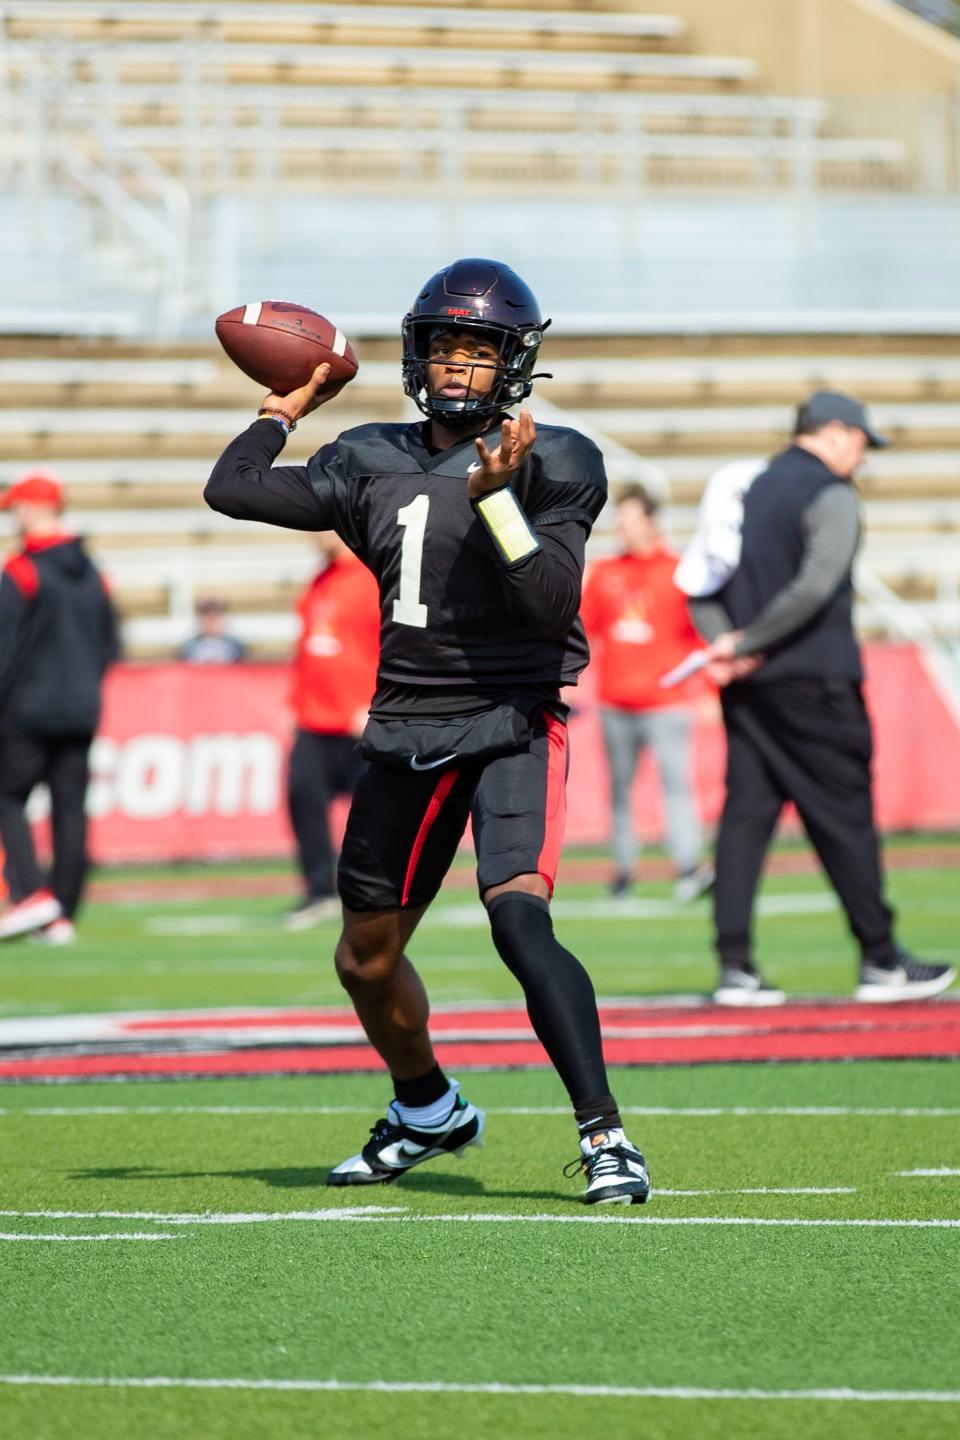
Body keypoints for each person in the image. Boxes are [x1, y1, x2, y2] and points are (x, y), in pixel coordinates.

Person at [205, 257, 651, 1205]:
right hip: (405, 721)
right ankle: (427, 1107)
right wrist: (285, 406)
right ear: (415, 353)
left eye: (478, 350)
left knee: (519, 921)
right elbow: (233, 490)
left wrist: (497, 496)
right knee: (363, 959)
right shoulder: (367, 454)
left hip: (510, 719)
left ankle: (605, 1133)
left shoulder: (557, 457)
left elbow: (548, 605)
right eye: (444, 344)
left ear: (513, 364)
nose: (458, 364)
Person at [679, 390, 956, 1006]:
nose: (861, 458)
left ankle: (735, 967)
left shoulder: (745, 488)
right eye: (859, 443)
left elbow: (699, 576)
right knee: (845, 817)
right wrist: (748, 639)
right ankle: (882, 960)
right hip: (813, 680)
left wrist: (727, 643)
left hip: (751, 684)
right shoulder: (829, 494)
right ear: (833, 433)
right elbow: (815, 586)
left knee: (746, 817)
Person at [0, 470, 119, 944]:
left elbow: (4, 648)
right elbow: (111, 644)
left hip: (28, 708)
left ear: (31, 510)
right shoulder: (95, 573)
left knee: (6, 797)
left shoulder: (21, 570)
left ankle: (31, 896)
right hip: (82, 705)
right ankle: (63, 914)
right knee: (70, 809)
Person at [580, 484, 713, 902]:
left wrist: (706, 690)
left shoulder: (678, 571)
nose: (624, 528)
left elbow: (699, 636)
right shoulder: (604, 572)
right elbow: (586, 631)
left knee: (677, 786)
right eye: (620, 520)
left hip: (666, 701)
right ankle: (623, 869)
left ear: (651, 522)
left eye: (632, 519)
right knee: (619, 789)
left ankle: (690, 865)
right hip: (615, 700)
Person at [285, 531, 380, 930]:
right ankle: (320, 891)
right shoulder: (320, 578)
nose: (310, 532)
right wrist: (294, 702)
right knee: (302, 797)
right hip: (314, 717)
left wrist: (377, 703)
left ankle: (372, 892)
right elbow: (308, 647)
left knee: (372, 814)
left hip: (358, 720)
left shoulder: (371, 576)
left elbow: (394, 643)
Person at [178, 596, 247, 664]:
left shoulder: (236, 647)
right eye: (207, 616)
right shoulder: (188, 647)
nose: (212, 621)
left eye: (216, 617)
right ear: (200, 620)